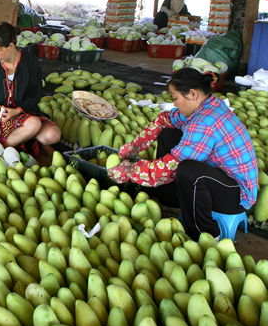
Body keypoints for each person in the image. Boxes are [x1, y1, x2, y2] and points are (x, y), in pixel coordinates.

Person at [108, 68, 258, 241]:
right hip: (220, 177)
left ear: (192, 94)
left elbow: (171, 166)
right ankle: (171, 198)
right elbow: (164, 119)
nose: (175, 104)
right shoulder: (206, 105)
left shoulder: (205, 122)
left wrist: (130, 171)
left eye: (175, 98)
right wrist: (134, 147)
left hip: (235, 195)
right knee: (169, 133)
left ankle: (206, 233)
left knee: (187, 170)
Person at [0, 23, 61, 150]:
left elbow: (36, 94)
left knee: (53, 135)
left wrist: (18, 111)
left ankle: (19, 138)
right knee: (33, 124)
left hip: (24, 112)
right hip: (0, 117)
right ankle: (0, 149)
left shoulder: (31, 62)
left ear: (10, 46)